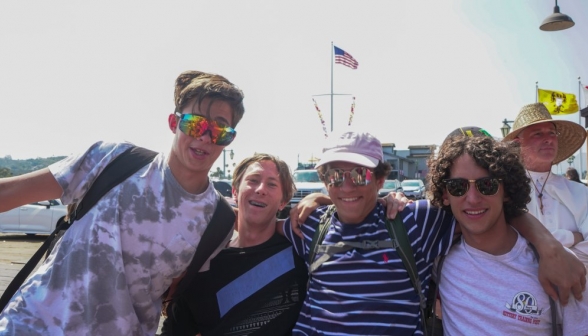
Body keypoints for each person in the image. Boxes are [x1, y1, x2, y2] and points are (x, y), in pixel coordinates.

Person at [0, 70, 245, 335]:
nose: (205, 137)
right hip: (29, 326)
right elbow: (8, 193)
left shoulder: (218, 222)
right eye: (196, 124)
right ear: (174, 122)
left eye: (219, 130)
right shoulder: (112, 158)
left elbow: (174, 295)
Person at [281, 130, 585, 335]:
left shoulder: (415, 222)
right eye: (335, 177)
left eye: (360, 174)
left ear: (381, 179)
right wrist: (318, 200)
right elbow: (248, 226)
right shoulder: (310, 224)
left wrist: (551, 247)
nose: (346, 185)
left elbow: (493, 211)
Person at [429, 135, 588, 334]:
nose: (472, 199)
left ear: (507, 191)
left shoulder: (559, 267)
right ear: (445, 195)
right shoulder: (438, 256)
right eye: (457, 187)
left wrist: (551, 246)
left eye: (487, 185)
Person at [161, 154, 308, 336]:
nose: (261, 189)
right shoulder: (205, 263)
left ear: (283, 202)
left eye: (272, 184)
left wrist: (319, 198)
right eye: (253, 180)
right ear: (235, 192)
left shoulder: (301, 254)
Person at [504, 102, 588, 266]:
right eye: (537, 134)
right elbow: (508, 245)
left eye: (552, 132)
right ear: (517, 143)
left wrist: (549, 261)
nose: (549, 139)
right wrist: (571, 237)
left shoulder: (580, 192)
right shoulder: (504, 191)